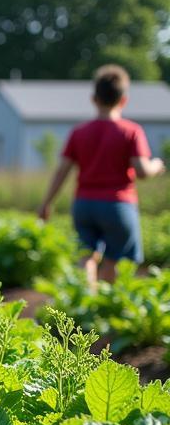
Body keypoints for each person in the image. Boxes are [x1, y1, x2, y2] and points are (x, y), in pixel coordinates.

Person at [38, 64, 165, 289]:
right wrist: (157, 164)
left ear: (93, 98)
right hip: (118, 205)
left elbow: (62, 171)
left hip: (84, 205)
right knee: (114, 260)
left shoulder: (79, 132)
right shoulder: (130, 131)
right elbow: (142, 171)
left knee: (87, 256)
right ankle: (106, 308)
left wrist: (47, 203)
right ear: (123, 100)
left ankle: (86, 301)